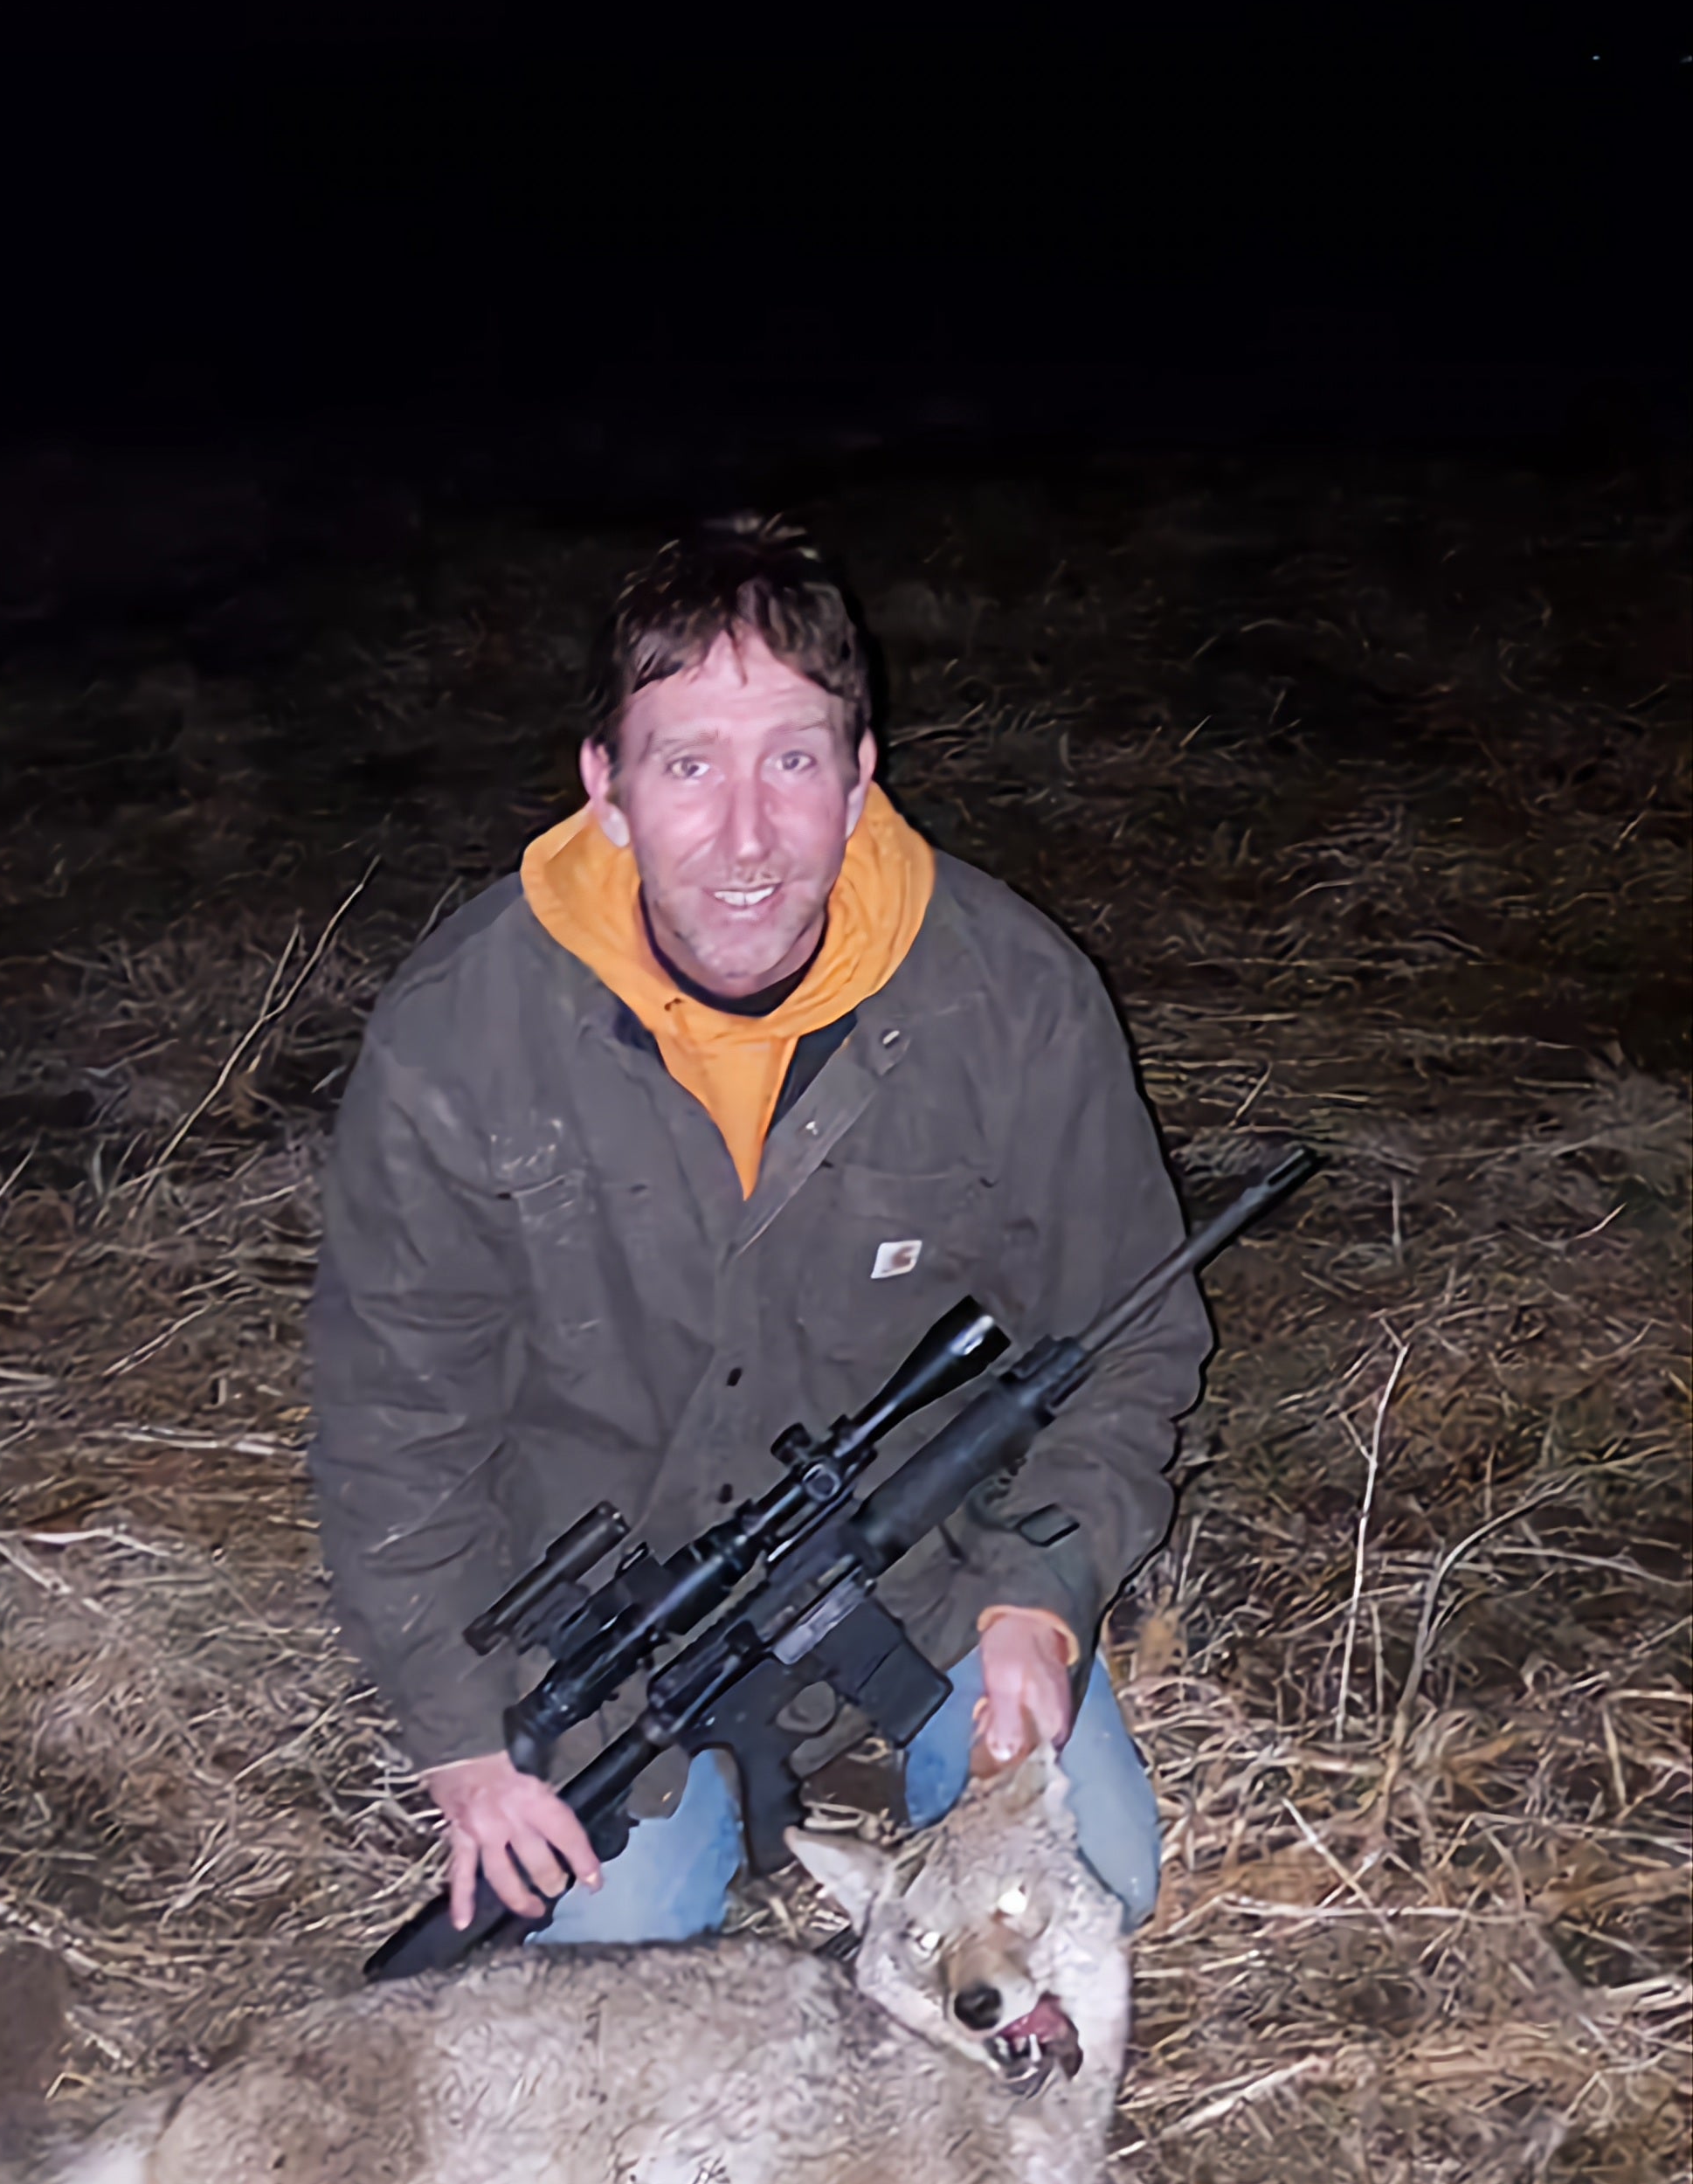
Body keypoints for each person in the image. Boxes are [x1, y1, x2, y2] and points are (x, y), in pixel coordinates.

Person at [308, 515, 1208, 1945]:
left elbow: (1127, 1333)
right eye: (688, 765)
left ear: (861, 779)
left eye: (792, 759)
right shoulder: (459, 1036)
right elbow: (390, 1424)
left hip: (928, 1575)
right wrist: (467, 1739)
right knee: (609, 1955)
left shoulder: (1017, 999)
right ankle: (706, 1825)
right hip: (614, 1641)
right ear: (605, 788)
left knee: (1090, 1884)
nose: (744, 836)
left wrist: (1043, 1589)